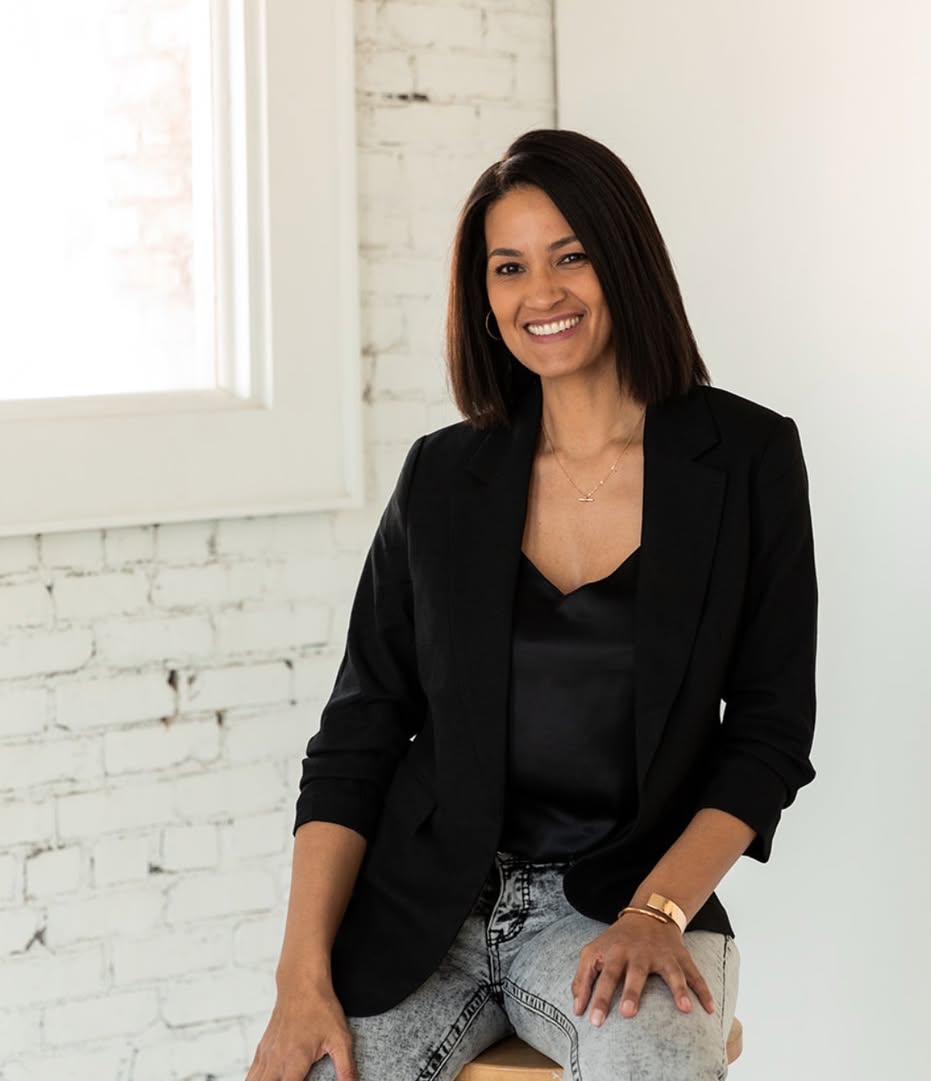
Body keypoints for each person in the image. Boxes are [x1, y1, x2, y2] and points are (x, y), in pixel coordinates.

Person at [245, 128, 818, 1081]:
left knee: (659, 1067)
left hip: (624, 900)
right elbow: (358, 735)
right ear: (484, 298)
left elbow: (768, 733)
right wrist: (298, 977)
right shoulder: (441, 475)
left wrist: (657, 910)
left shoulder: (748, 459)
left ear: (624, 260)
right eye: (508, 267)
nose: (539, 294)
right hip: (429, 908)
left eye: (571, 256)